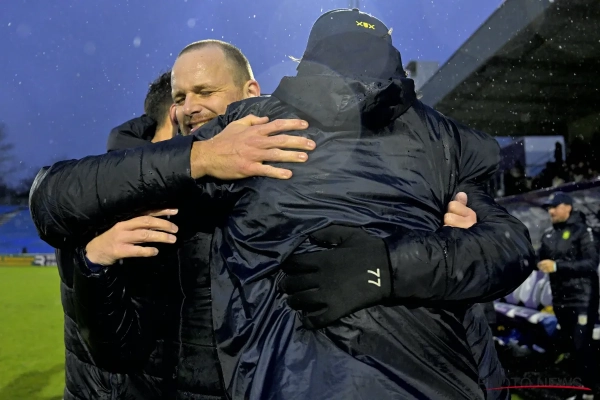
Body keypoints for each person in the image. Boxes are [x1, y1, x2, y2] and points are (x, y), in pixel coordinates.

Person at [28, 30, 532, 399]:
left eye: (205, 92)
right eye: (180, 97)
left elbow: (502, 250)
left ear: (253, 95)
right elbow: (53, 203)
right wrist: (94, 263)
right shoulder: (145, 185)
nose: (189, 107)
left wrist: (420, 252)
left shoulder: (302, 157)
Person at [55, 71, 179, 400]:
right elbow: (116, 351)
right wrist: (96, 261)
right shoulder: (100, 203)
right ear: (178, 112)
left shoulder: (100, 189)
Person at [538, 192, 599, 400]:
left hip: (583, 298)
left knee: (582, 345)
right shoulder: (549, 235)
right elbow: (538, 259)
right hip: (560, 299)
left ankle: (590, 390)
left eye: (554, 207)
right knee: (570, 346)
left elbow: (591, 263)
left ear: (568, 207)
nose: (551, 211)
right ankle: (578, 389)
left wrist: (557, 266)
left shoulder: (584, 231)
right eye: (549, 208)